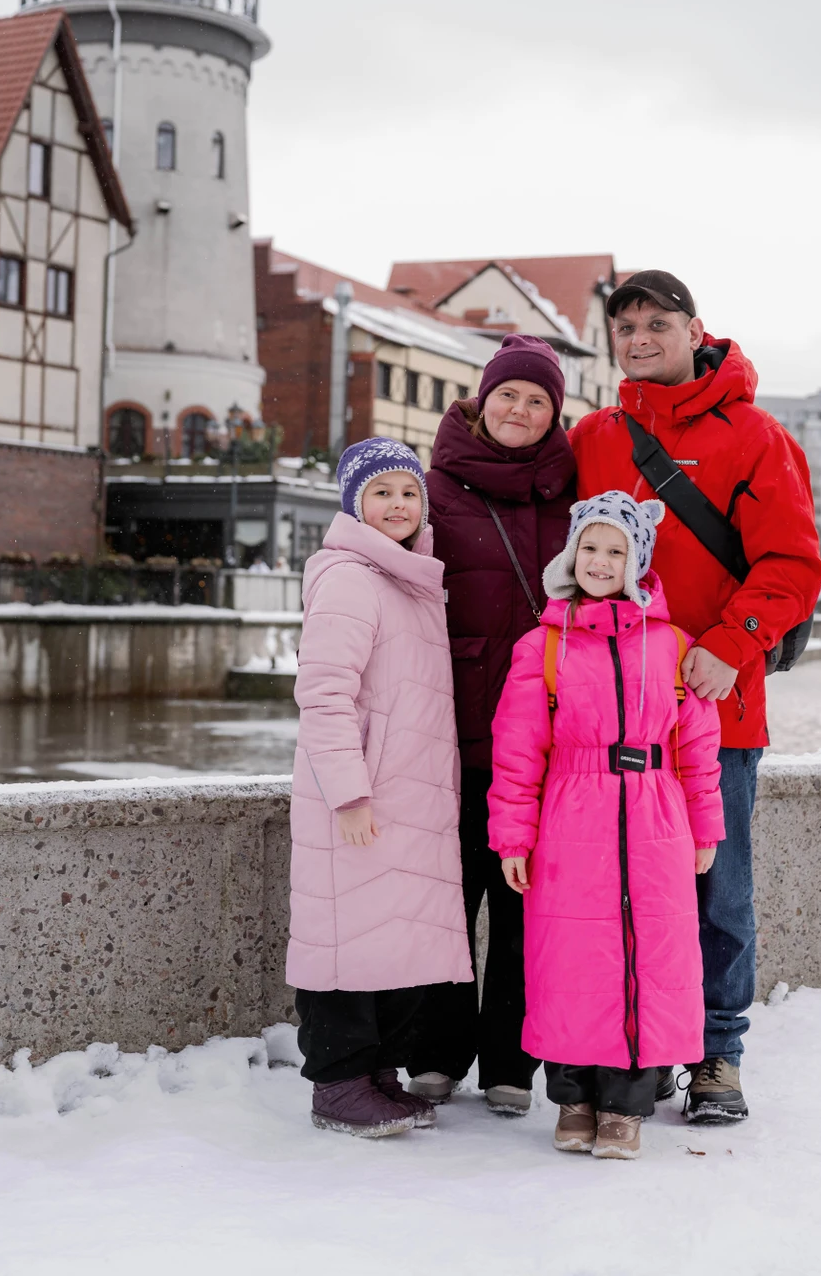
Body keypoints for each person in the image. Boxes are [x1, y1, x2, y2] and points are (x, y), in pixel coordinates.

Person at [571, 271, 821, 1123]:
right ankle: (634, 1046)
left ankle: (718, 1054)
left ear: (694, 328)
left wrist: (729, 644)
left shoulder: (755, 436)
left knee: (718, 890)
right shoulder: (593, 436)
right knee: (617, 893)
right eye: (626, 325)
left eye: (658, 322)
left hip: (718, 709)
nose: (640, 338)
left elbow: (791, 566)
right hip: (612, 717)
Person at [488, 491, 724, 1159]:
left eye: (615, 550)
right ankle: (575, 1098)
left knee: (650, 956)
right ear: (570, 555)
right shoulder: (545, 647)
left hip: (655, 812)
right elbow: (517, 750)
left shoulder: (673, 646)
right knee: (572, 960)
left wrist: (706, 830)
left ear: (637, 562)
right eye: (589, 547)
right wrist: (514, 835)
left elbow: (697, 750)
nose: (599, 561)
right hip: (571, 814)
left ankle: (627, 1104)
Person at [406, 334, 576, 1115]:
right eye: (509, 394)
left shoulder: (571, 495)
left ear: (554, 415)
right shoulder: (432, 489)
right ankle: (437, 1050)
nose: (520, 410)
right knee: (450, 897)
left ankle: (512, 1062)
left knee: (524, 905)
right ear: (481, 399)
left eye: (537, 400)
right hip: (452, 730)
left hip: (543, 741)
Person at [287, 437, 472, 1138]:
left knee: (386, 937)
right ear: (353, 504)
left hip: (406, 792)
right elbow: (325, 694)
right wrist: (349, 792)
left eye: (408, 493)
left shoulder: (406, 574)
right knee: (345, 938)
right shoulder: (349, 577)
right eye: (381, 493)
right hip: (363, 794)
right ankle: (337, 1081)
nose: (397, 505)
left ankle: (374, 1074)